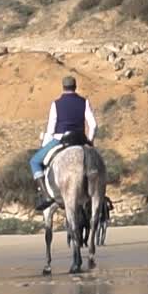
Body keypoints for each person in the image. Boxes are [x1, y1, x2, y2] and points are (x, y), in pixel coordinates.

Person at [30, 75, 97, 211]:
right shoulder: (84, 102)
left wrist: (44, 145)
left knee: (35, 161)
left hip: (61, 139)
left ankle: (45, 195)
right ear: (75, 87)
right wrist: (90, 140)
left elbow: (50, 129)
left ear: (63, 87)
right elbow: (94, 125)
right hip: (80, 139)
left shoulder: (56, 104)